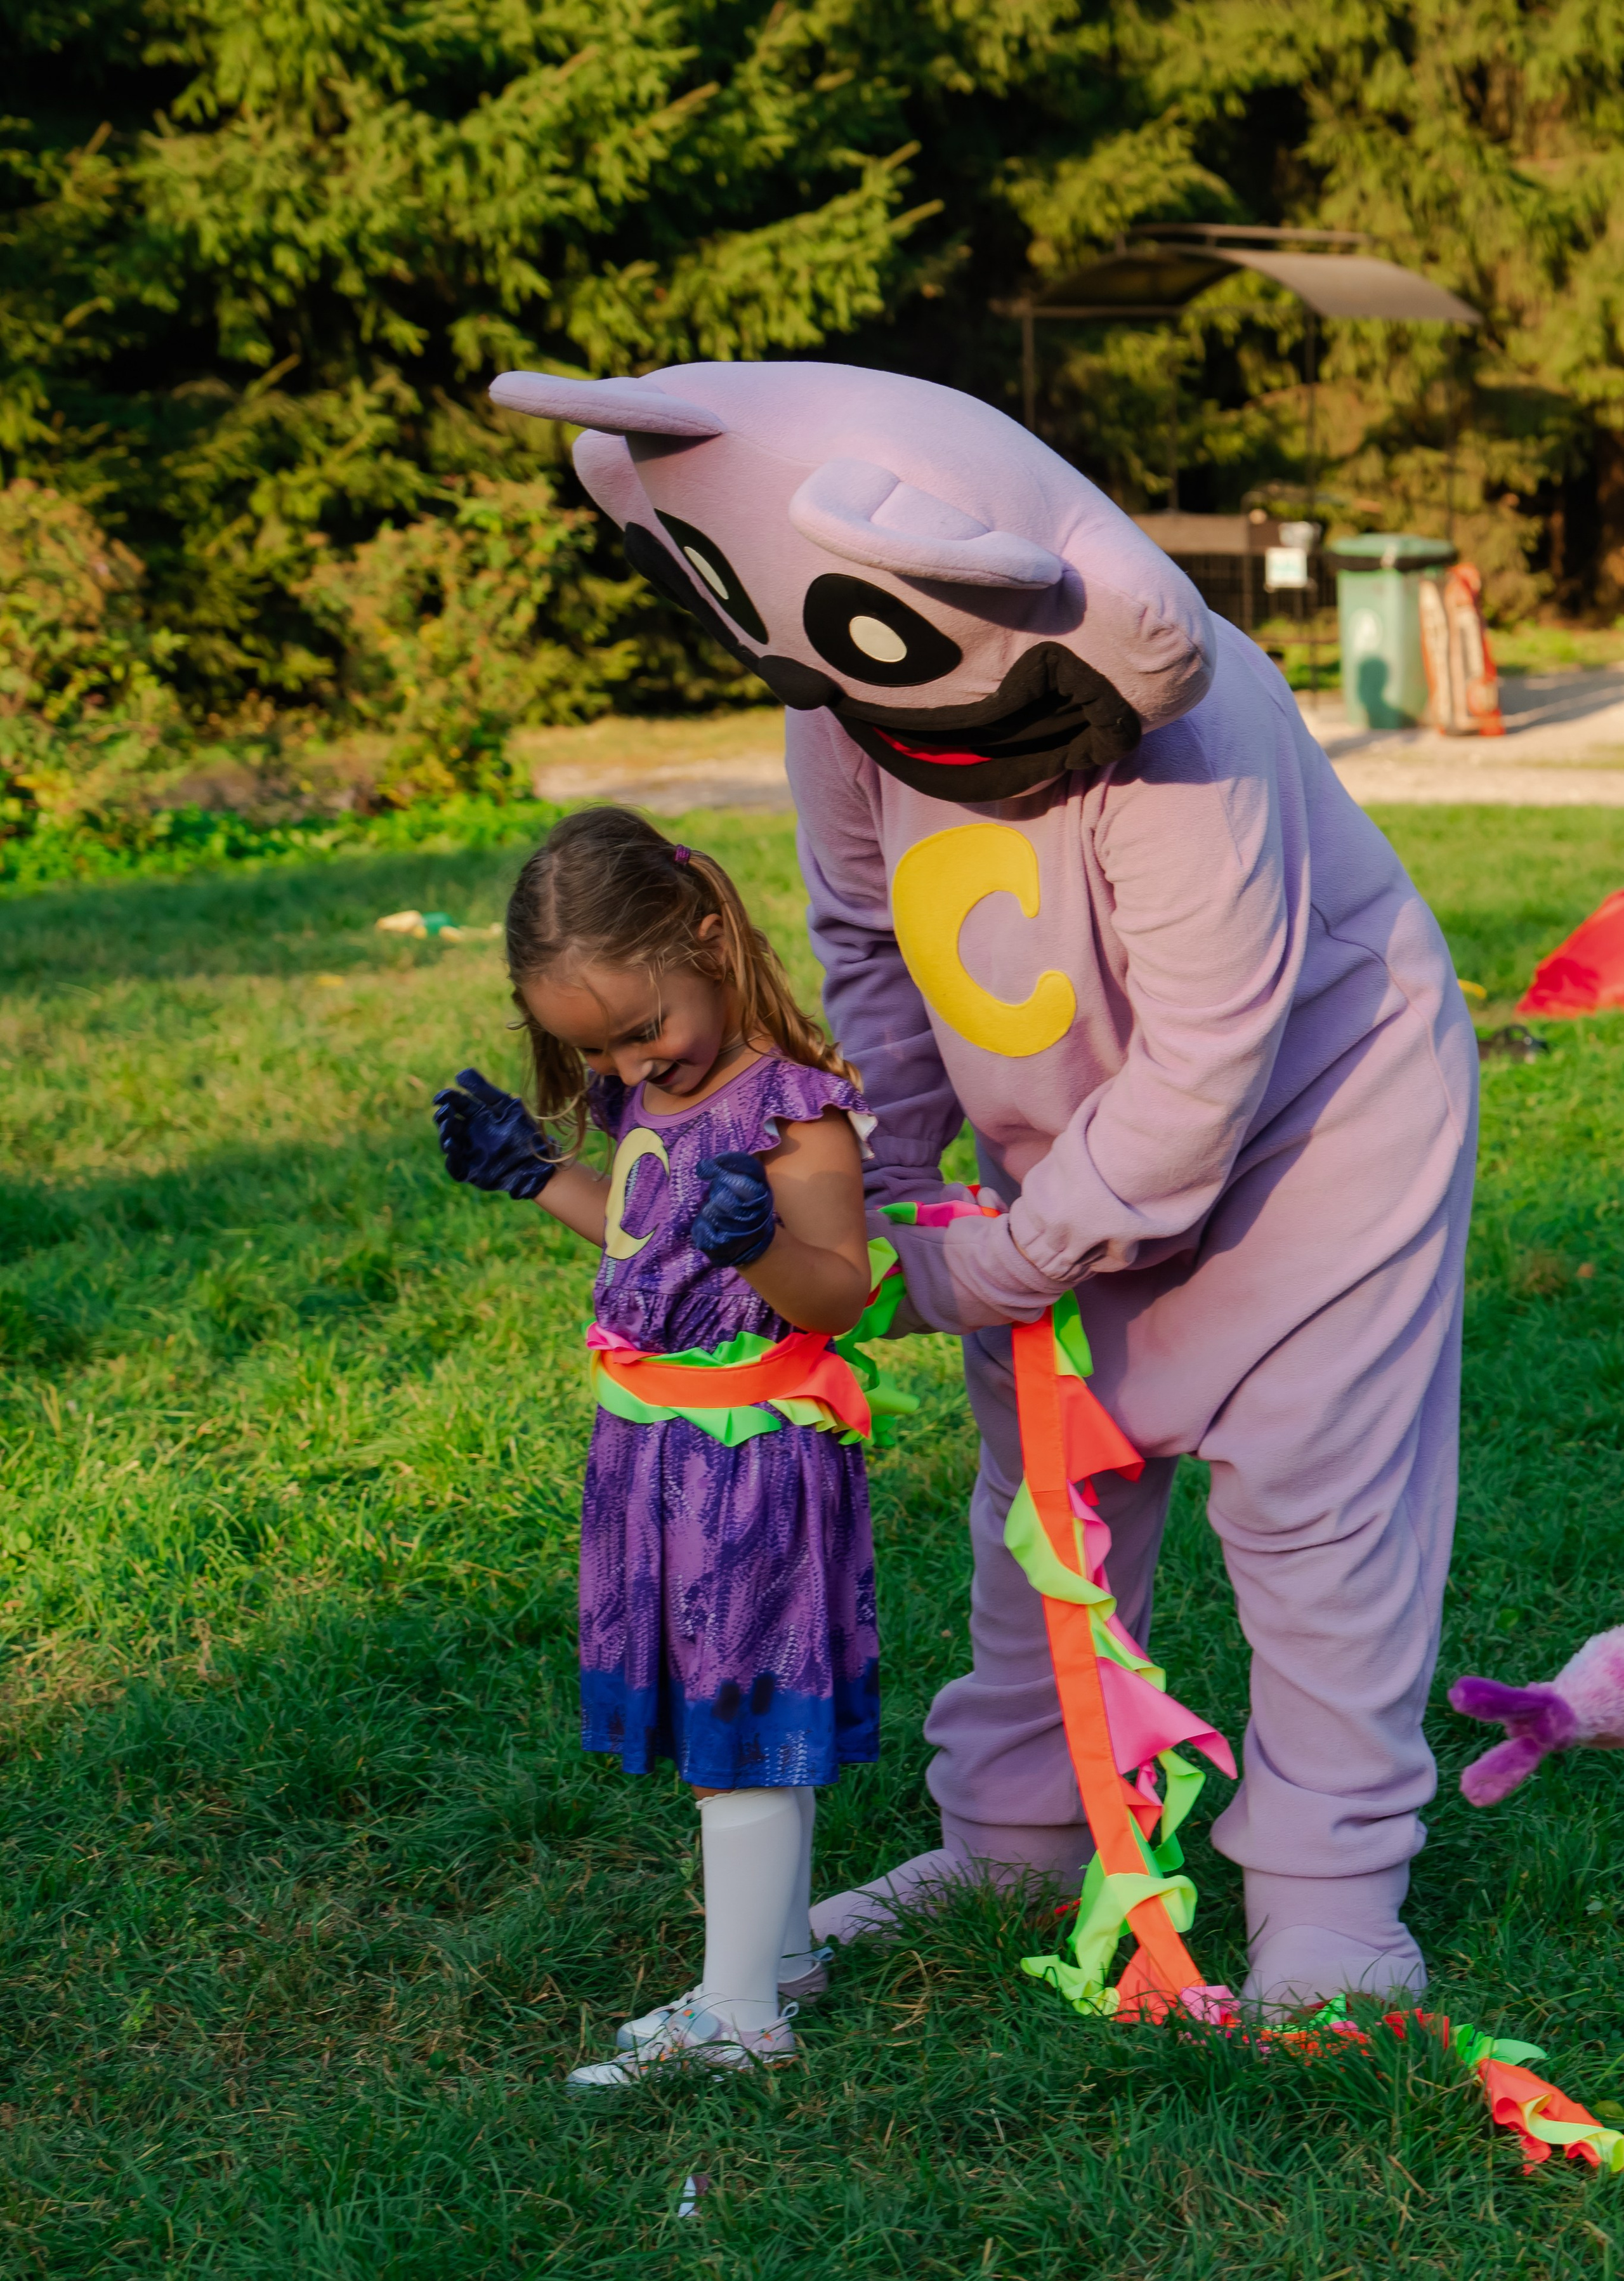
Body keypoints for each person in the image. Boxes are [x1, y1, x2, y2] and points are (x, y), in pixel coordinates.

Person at [478, 360, 1479, 2014]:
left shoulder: (1191, 729)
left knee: (1320, 1516)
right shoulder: (843, 708)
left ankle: (1329, 1889)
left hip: (1319, 1155)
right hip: (1049, 1173)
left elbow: (1204, 1074)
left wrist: (983, 1267)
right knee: (1043, 1512)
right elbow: (874, 952)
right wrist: (872, 1194)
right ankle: (1016, 1826)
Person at [433, 806, 879, 2081]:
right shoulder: (648, 1088)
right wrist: (533, 1176)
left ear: (707, 936)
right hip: (655, 1452)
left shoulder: (793, 1115)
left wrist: (762, 1246)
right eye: (595, 1047)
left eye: (643, 1028)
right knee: (722, 1717)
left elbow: (836, 1292)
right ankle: (781, 1957)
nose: (633, 1062)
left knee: (736, 1720)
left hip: (749, 1453)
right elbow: (646, 1237)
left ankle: (738, 2017)